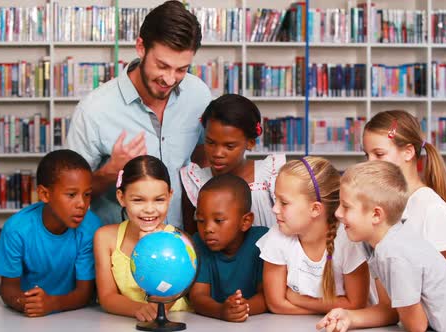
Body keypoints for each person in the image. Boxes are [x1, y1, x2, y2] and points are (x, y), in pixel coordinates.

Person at [66, 0, 212, 227]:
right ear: (141, 48)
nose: (170, 79)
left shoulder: (199, 94)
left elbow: (203, 153)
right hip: (118, 252)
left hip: (182, 247)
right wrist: (110, 172)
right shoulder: (94, 110)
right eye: (162, 66)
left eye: (181, 69)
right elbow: (69, 195)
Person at [317, 161, 446, 332]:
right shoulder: (380, 243)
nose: (338, 213)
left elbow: (417, 326)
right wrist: (349, 317)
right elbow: (393, 312)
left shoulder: (395, 254)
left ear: (376, 215)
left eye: (346, 207)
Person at [362, 110, 446, 281]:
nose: (369, 162)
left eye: (379, 154)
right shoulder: (385, 201)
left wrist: (419, 304)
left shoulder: (430, 207)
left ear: (408, 152)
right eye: (366, 155)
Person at [0, 149, 101, 317]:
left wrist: (52, 304)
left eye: (87, 195)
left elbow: (84, 293)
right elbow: (8, 289)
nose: (82, 204)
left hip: (78, 315)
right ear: (44, 194)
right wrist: (27, 303)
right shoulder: (16, 229)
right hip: (30, 319)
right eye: (71, 195)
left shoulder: (91, 227)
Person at [256, 157, 370, 315]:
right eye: (276, 199)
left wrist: (299, 300)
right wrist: (332, 307)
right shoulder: (277, 235)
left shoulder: (348, 240)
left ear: (315, 209)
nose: (274, 209)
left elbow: (356, 303)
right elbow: (276, 304)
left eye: (284, 202)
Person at [93, 155, 191, 322]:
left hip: (175, 321)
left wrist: (152, 249)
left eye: (159, 199)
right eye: (138, 200)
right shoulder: (104, 238)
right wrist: (141, 309)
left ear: (169, 196)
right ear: (121, 197)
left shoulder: (179, 240)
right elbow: (107, 297)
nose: (149, 209)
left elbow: (172, 293)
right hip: (123, 323)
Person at [180, 94, 285, 233]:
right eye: (210, 142)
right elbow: (191, 240)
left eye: (229, 146)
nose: (217, 153)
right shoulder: (195, 182)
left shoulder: (270, 176)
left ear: (250, 142)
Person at [189, 174, 268, 322]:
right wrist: (221, 311)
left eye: (218, 220)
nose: (208, 228)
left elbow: (268, 296)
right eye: (200, 220)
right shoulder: (198, 243)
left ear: (245, 221)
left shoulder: (263, 241)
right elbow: (198, 297)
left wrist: (243, 308)